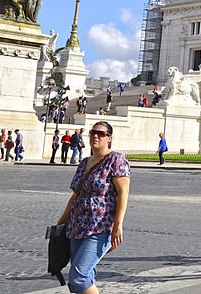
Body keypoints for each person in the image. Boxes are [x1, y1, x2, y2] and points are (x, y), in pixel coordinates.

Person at [56, 121, 130, 294]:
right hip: (77, 225)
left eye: (101, 133)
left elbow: (123, 193)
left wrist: (118, 224)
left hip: (100, 226)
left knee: (78, 277)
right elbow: (76, 195)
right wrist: (61, 223)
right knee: (86, 275)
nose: (95, 136)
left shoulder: (116, 159)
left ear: (109, 138)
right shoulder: (84, 162)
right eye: (92, 133)